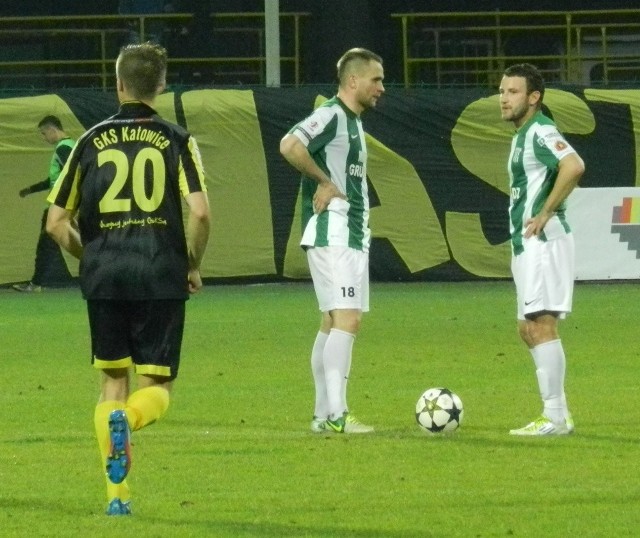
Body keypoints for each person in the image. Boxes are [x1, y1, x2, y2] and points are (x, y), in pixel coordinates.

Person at [46, 41, 210, 515]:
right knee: (156, 387)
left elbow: (56, 222)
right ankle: (130, 421)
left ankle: (118, 501)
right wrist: (192, 263)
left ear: (118, 84)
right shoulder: (177, 139)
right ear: (160, 87)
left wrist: (91, 253)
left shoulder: (87, 141)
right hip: (160, 271)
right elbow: (199, 212)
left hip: (106, 276)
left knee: (111, 383)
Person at [279, 47, 384, 434]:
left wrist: (326, 179)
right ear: (352, 81)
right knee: (347, 319)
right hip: (334, 232)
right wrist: (324, 181)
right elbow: (290, 145)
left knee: (331, 321)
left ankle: (323, 415)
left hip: (350, 234)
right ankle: (339, 414)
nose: (381, 87)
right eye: (376, 79)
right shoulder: (332, 115)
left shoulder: (352, 122)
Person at [498, 63, 585, 436]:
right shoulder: (522, 135)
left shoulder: (540, 130)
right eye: (502, 91)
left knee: (541, 325)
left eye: (513, 92)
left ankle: (553, 417)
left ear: (534, 98)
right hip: (527, 244)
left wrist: (546, 211)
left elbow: (574, 164)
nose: (503, 98)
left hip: (544, 243)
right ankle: (559, 415)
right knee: (527, 327)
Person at [14, 116, 76, 292]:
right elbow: (55, 179)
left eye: (43, 133)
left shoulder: (63, 148)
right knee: (49, 245)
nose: (44, 137)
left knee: (45, 246)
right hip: (64, 206)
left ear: (52, 130)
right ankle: (36, 283)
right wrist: (31, 189)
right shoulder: (71, 145)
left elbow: (70, 176)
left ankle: (36, 284)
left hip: (57, 208)